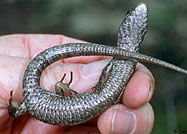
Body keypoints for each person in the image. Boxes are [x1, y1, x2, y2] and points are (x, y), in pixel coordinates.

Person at [0, 34, 154, 134]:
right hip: (36, 104)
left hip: (36, 104)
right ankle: (20, 107)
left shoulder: (108, 97)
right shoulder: (111, 98)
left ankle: (19, 107)